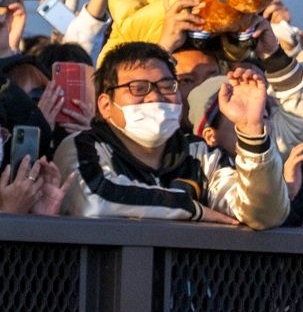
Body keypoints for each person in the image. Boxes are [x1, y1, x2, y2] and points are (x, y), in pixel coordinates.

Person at [59, 42, 288, 227]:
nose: (155, 97)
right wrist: (191, 208)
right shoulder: (83, 145)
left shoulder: (200, 154)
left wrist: (251, 131)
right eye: (138, 88)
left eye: (168, 86)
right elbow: (94, 199)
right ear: (106, 105)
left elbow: (262, 213)